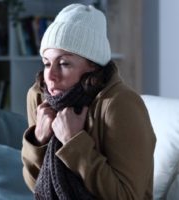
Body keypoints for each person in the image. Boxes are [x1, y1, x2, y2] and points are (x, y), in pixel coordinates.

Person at [21, 3, 156, 200]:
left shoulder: (120, 104)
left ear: (93, 66)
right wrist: (38, 140)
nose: (50, 76)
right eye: (47, 63)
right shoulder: (40, 98)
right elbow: (36, 186)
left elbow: (127, 196)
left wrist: (73, 142)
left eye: (64, 63)